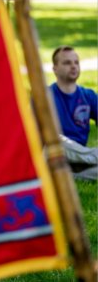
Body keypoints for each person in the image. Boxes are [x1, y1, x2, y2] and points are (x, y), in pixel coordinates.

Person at [50, 46, 97, 181]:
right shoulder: (44, 97)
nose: (73, 66)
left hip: (80, 159)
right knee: (54, 139)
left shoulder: (89, 96)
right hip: (52, 155)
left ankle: (72, 176)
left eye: (76, 62)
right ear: (55, 69)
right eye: (67, 63)